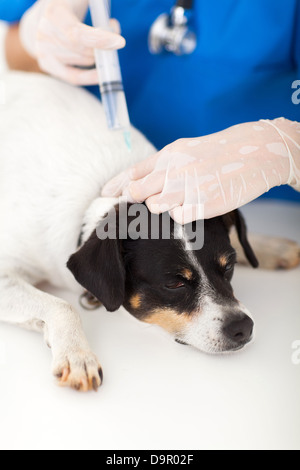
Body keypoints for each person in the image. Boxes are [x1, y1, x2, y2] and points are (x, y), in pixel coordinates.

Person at [1, 0, 299, 222]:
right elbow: (18, 56)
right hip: (76, 192)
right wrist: (35, 35)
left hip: (263, 212)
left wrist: (283, 147)